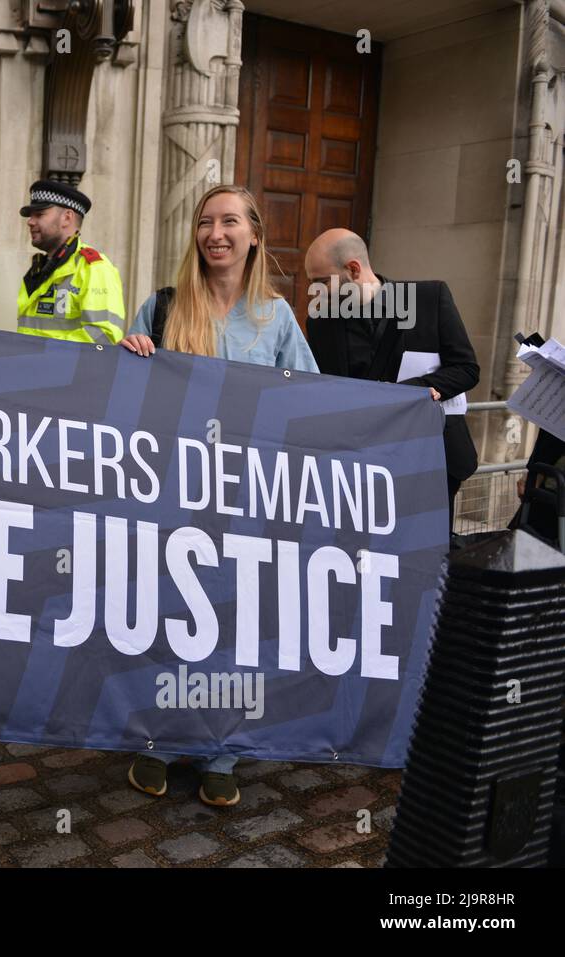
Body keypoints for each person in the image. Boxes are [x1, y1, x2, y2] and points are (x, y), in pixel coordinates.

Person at [120, 184, 319, 807]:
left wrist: (402, 408)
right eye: (206, 222)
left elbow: (309, 401)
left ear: (254, 234)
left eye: (230, 221)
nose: (216, 233)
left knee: (236, 624)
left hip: (248, 501)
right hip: (173, 495)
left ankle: (221, 749)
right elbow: (121, 403)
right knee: (169, 616)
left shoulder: (277, 317)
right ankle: (157, 738)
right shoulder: (161, 306)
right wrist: (126, 356)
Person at [303, 229, 479, 532]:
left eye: (320, 281)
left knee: (430, 557)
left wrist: (404, 395)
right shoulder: (319, 323)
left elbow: (466, 369)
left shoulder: (429, 298)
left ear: (353, 269)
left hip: (433, 459)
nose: (314, 291)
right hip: (360, 466)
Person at [16, 179, 125, 345]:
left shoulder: (95, 268)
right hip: (33, 369)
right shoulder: (38, 269)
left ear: (67, 218)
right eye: (31, 216)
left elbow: (103, 338)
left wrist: (40, 353)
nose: (30, 221)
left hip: (59, 370)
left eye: (39, 214)